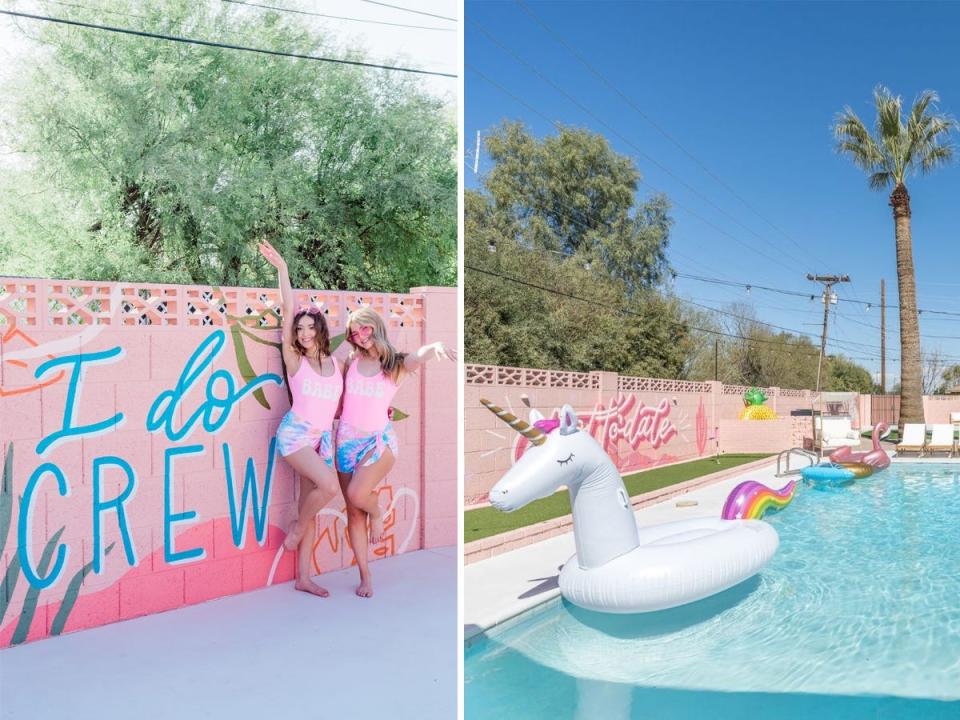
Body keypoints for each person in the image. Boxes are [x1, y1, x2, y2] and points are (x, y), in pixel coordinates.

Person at [337, 307, 455, 598]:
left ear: (375, 326)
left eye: (364, 329)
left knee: (357, 495)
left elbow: (420, 355)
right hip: (345, 442)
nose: (360, 337)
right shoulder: (351, 360)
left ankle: (377, 511)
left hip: (378, 441)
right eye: (354, 332)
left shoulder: (395, 364)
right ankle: (365, 575)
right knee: (353, 513)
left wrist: (435, 347)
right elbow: (339, 399)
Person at [259, 240, 342, 597]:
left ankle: (303, 577)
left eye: (310, 328)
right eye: (300, 329)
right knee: (329, 487)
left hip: (322, 439)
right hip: (296, 436)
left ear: (321, 330)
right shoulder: (296, 360)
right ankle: (295, 529)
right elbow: (288, 308)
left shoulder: (336, 363)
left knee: (312, 503)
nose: (304, 333)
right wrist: (283, 270)